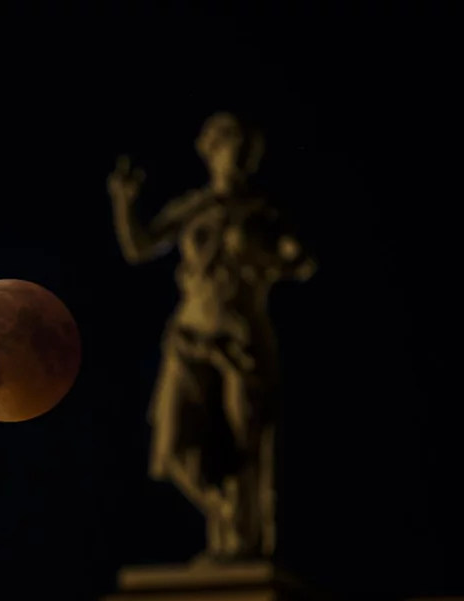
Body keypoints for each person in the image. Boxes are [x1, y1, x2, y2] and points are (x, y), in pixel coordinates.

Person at [108, 113, 316, 561]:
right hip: (190, 333)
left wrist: (288, 257)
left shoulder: (265, 211)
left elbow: (296, 259)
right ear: (212, 153)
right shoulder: (195, 207)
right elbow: (140, 247)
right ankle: (223, 511)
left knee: (243, 442)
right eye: (229, 149)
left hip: (240, 337)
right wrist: (124, 203)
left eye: (246, 152)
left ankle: (238, 540)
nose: (237, 159)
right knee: (173, 440)